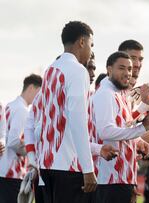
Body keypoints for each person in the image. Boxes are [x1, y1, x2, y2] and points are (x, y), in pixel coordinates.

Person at [38, 21, 97, 203]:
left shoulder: (50, 70)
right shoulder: (78, 71)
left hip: (46, 164)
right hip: (69, 166)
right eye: (91, 45)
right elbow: (78, 121)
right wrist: (88, 168)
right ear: (81, 42)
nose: (90, 50)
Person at [92, 51, 149, 203]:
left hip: (122, 178)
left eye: (129, 69)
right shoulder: (105, 93)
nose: (127, 73)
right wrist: (141, 129)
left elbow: (126, 124)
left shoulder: (118, 93)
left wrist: (139, 141)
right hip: (110, 180)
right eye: (122, 68)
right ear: (109, 69)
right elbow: (105, 131)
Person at [0, 74, 42, 203]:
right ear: (31, 88)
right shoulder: (22, 110)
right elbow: (13, 142)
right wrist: (32, 149)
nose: (39, 98)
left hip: (4, 171)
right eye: (39, 93)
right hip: (12, 173)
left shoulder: (11, 105)